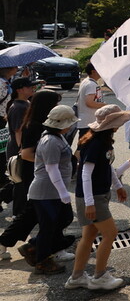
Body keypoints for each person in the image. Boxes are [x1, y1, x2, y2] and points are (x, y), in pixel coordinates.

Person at [66, 105, 130, 290]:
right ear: (110, 124)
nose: (119, 125)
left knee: (89, 235)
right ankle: (99, 276)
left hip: (94, 195)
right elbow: (85, 173)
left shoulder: (100, 140)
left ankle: (77, 277)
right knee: (110, 233)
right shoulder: (96, 143)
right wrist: (89, 203)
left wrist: (118, 185)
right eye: (117, 122)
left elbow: (106, 166)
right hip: (93, 196)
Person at [26, 104, 78, 274]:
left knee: (64, 219)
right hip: (45, 192)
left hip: (53, 191)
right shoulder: (50, 141)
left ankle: (34, 246)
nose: (71, 126)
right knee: (49, 227)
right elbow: (51, 168)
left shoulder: (57, 137)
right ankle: (42, 261)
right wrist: (63, 192)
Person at [0, 79, 42, 259]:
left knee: (18, 184)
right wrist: (20, 151)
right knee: (20, 185)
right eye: (29, 86)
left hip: (23, 151)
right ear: (19, 89)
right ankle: (18, 212)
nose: (33, 88)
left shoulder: (25, 103)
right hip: (20, 152)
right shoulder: (18, 107)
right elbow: (18, 131)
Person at [76, 63, 107, 144]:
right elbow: (89, 103)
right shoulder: (91, 84)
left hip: (86, 121)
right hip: (89, 122)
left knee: (82, 147)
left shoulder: (86, 81)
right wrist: (105, 106)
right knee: (85, 148)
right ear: (93, 71)